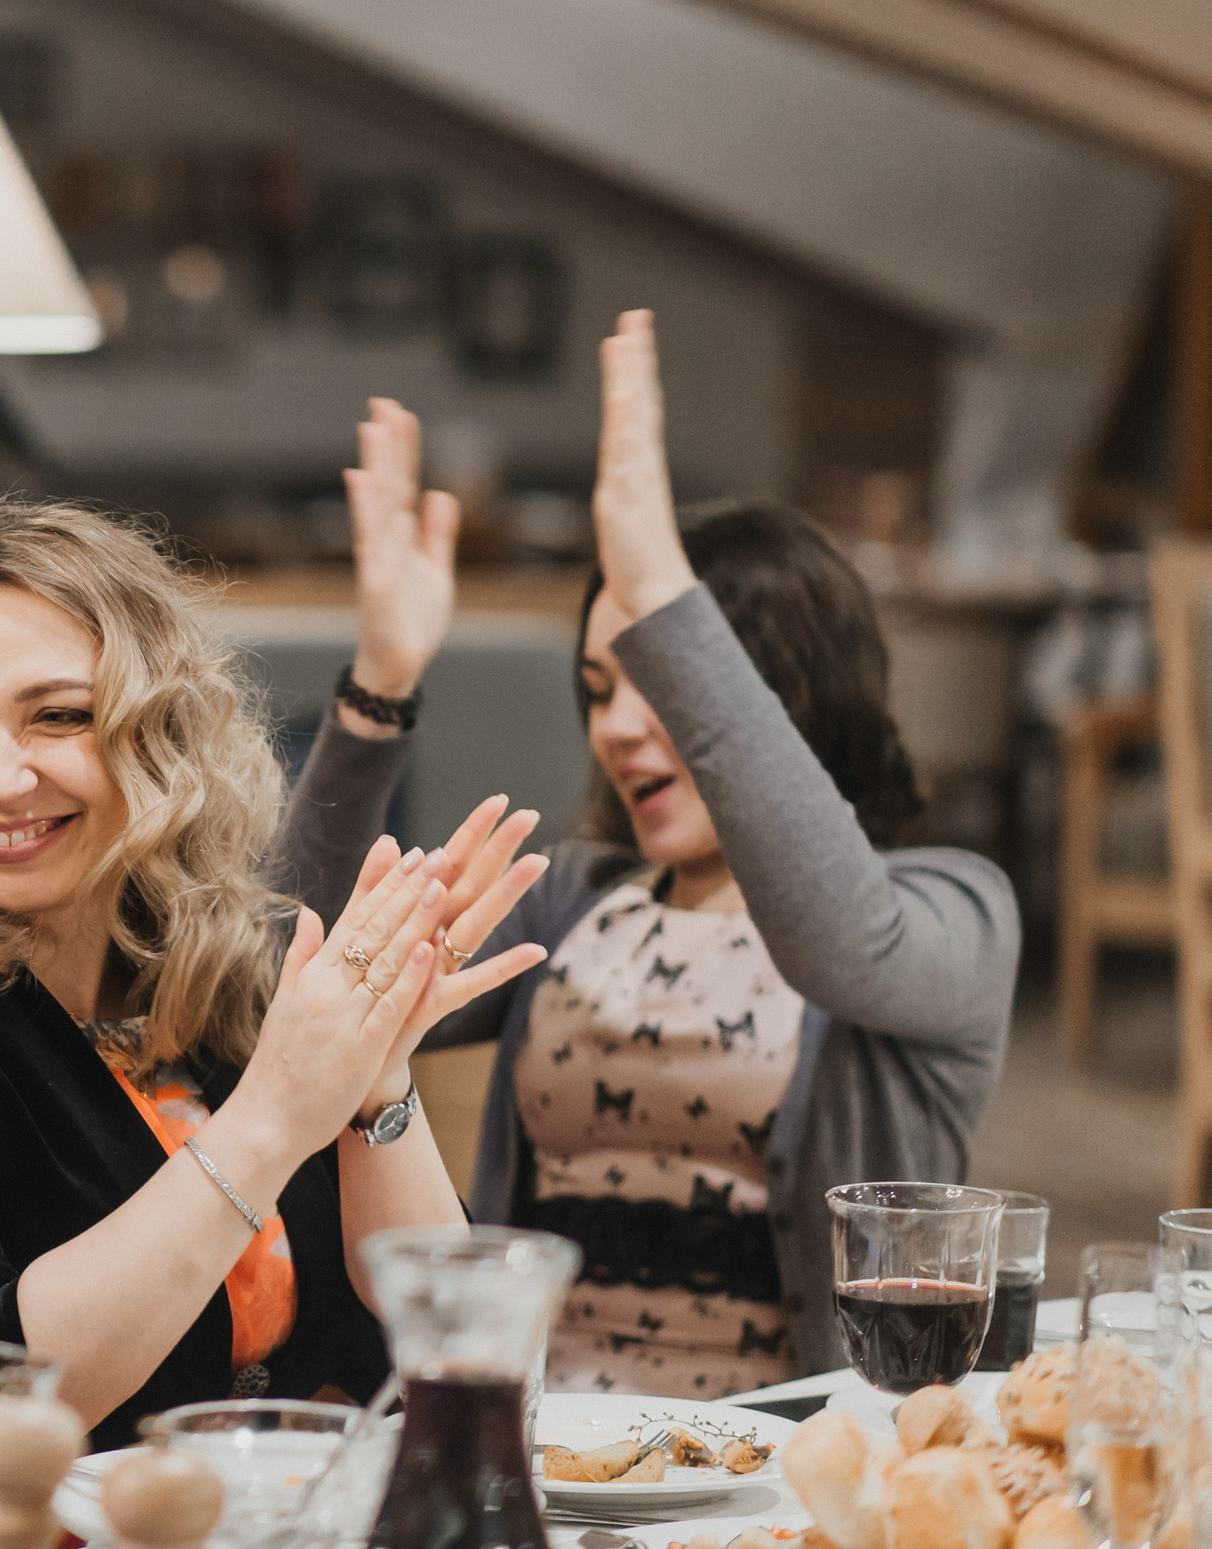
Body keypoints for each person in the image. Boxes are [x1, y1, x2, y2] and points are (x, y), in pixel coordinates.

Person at [0, 500, 556, 1473]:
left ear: (156, 732)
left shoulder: (232, 964)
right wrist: (277, 1115)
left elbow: (457, 1363)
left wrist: (376, 1086)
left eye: (58, 716)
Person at [278, 309, 1020, 1395]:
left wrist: (661, 585)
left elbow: (840, 945)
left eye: (658, 681)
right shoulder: (574, 899)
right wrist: (380, 682)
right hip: (555, 1469)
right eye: (596, 691)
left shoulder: (950, 908)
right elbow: (290, 970)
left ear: (775, 694)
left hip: (792, 1479)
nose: (617, 727)